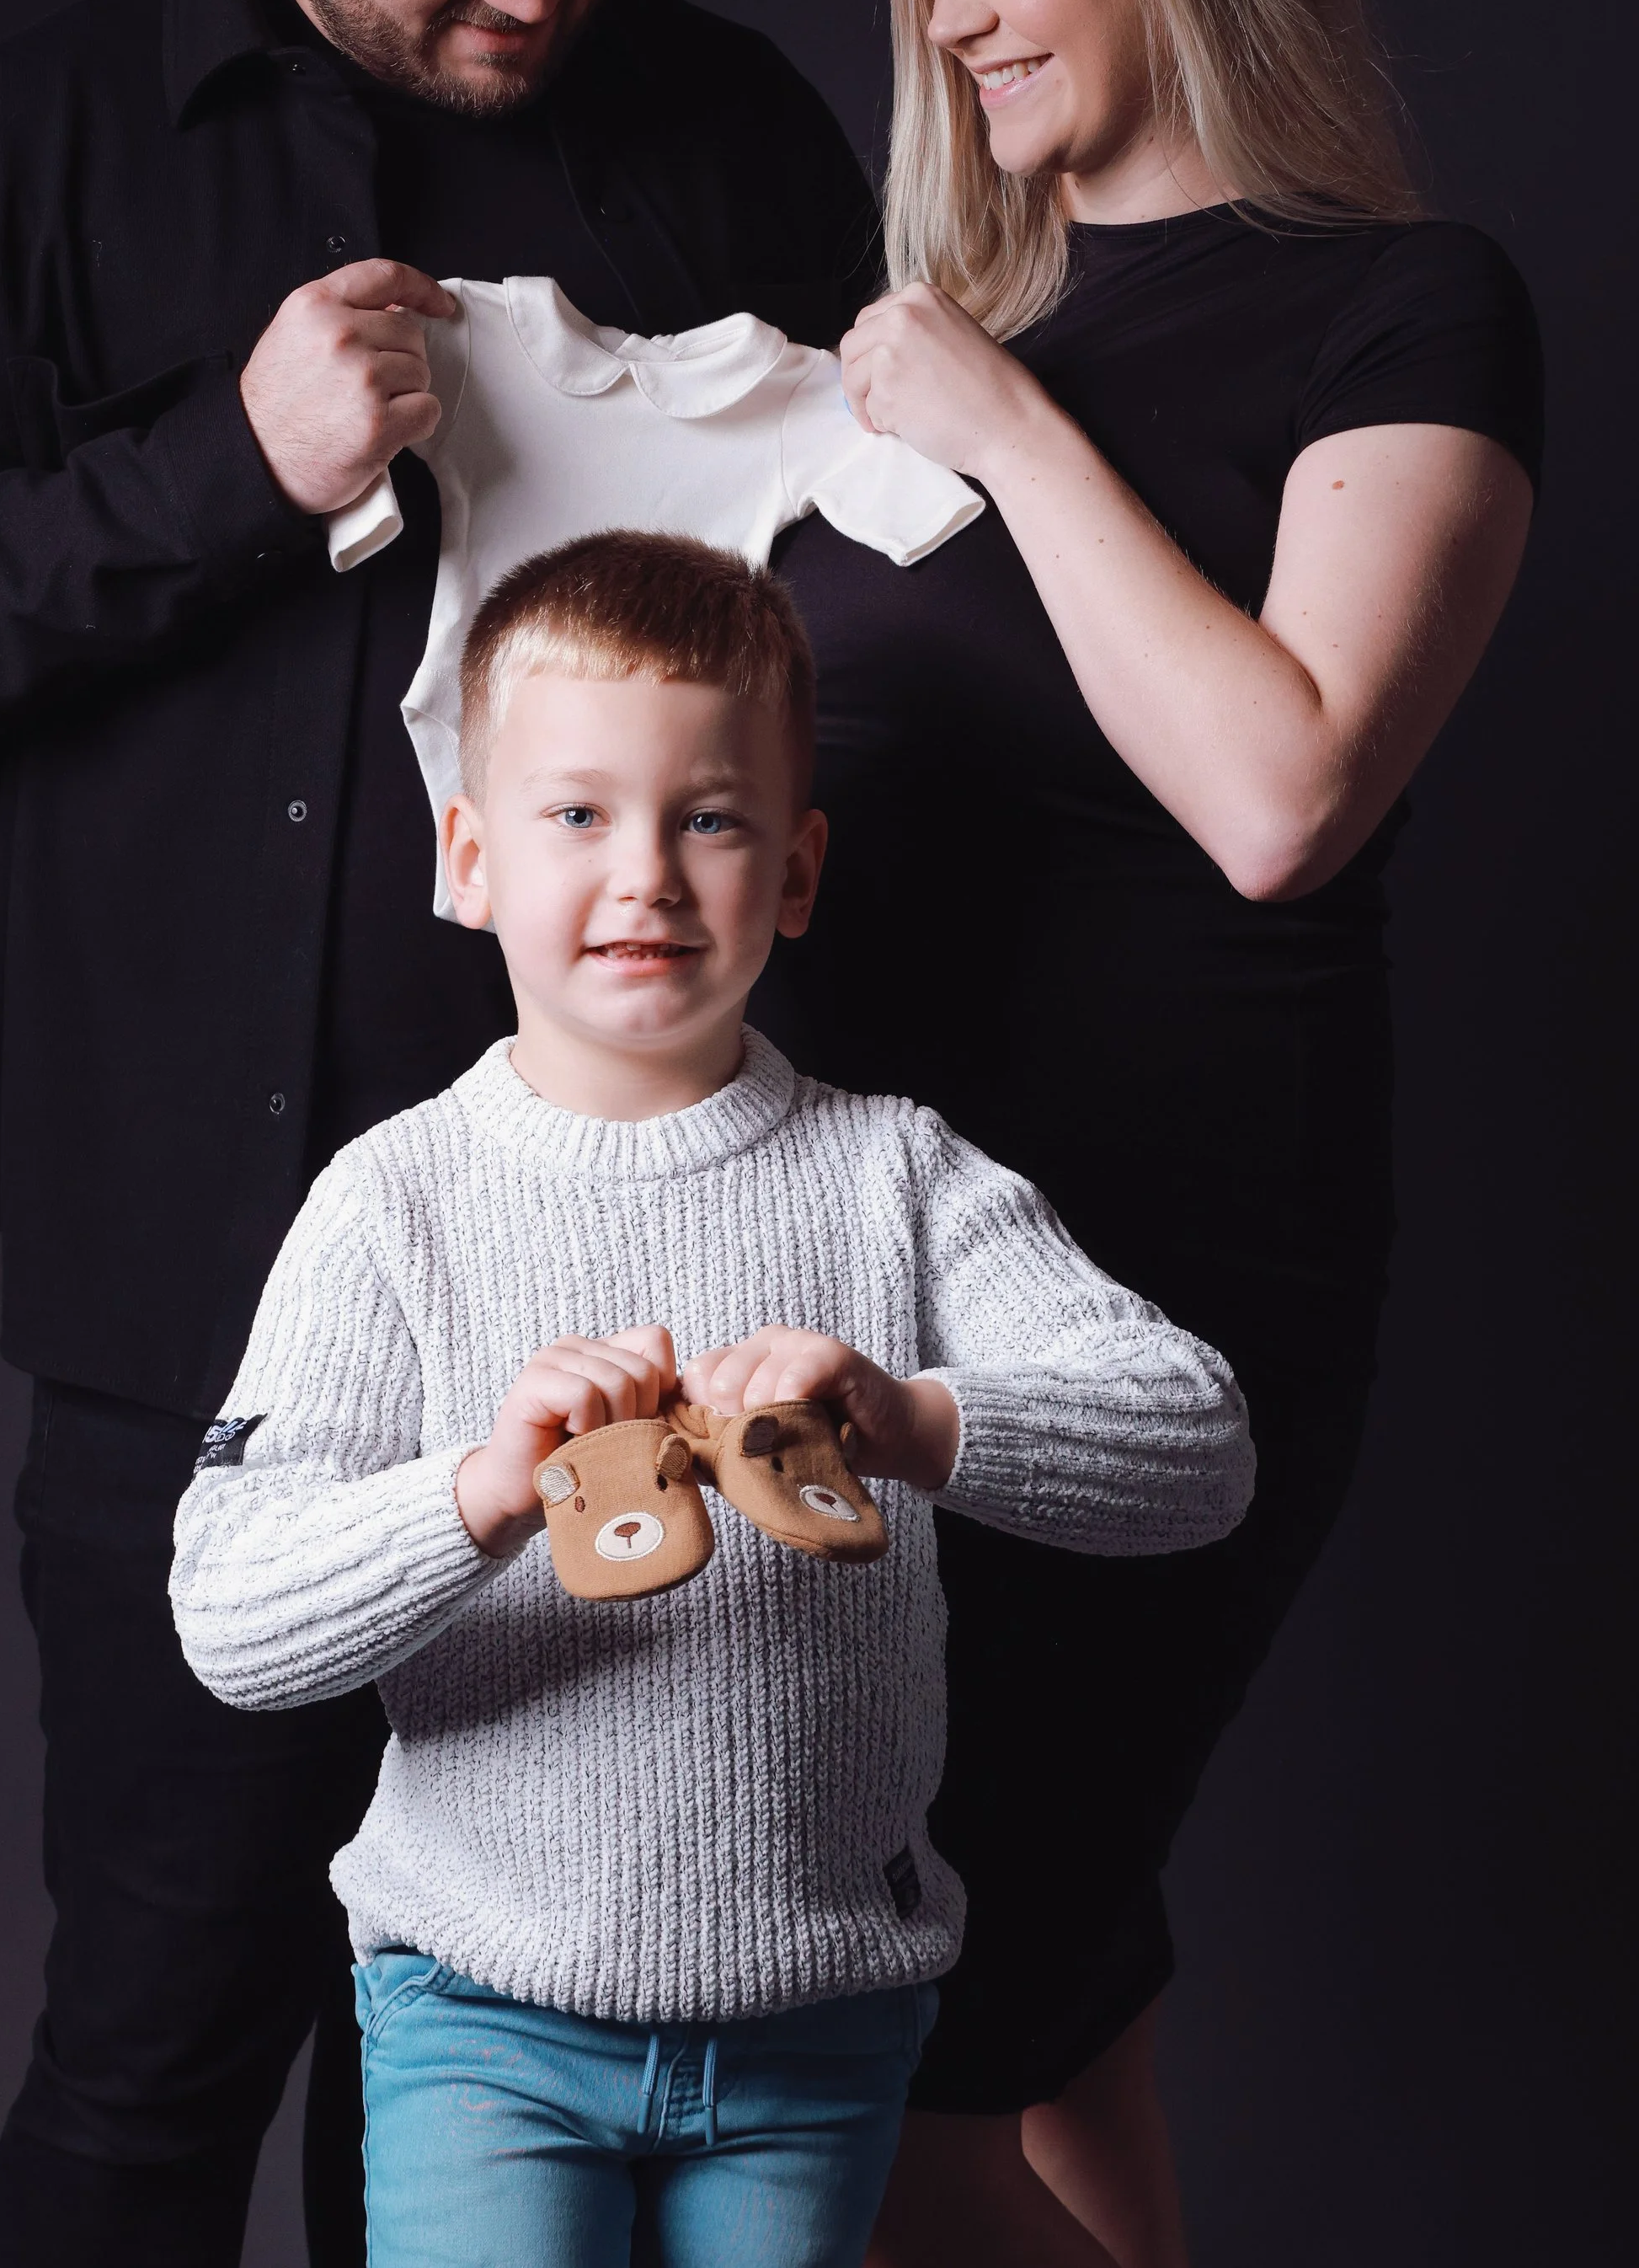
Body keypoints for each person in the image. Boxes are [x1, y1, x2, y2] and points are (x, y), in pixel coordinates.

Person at [0, 0, 873, 2268]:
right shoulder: (24, 152)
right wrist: (220, 475)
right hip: (185, 1322)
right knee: (150, 2063)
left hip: (621, 1305)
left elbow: (875, 656)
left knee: (489, 2082)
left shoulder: (721, 137)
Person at [757, 0, 1544, 2267]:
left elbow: (1279, 790)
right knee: (1055, 2003)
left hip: (1161, 1307)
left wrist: (1001, 421)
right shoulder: (899, 392)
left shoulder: (1400, 312)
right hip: (865, 1304)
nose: (954, 13)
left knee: (909, 2068)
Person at [169, 530, 1257, 2268]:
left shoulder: (894, 1176)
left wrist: (906, 1419)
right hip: (483, 2007)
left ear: (797, 867)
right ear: (466, 855)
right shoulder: (396, 1200)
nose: (646, 874)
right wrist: (478, 1488)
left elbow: (1195, 1442)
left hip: (814, 2014)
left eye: (710, 815)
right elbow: (227, 1613)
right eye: (578, 812)